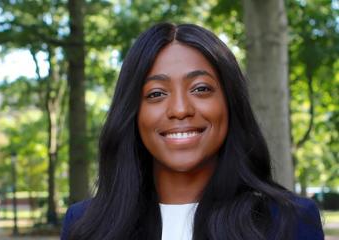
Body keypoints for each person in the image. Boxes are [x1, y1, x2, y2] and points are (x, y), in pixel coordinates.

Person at [61, 23, 324, 240]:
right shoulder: (85, 225)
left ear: (230, 103)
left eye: (200, 89)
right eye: (156, 93)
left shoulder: (290, 222)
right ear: (133, 112)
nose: (179, 109)